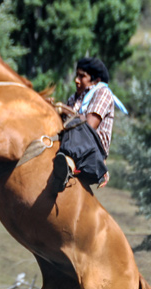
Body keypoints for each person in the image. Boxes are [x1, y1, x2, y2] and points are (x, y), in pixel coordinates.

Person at [54, 57, 128, 190]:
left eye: (82, 76)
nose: (76, 80)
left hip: (92, 148)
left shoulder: (103, 93)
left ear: (96, 81)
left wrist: (63, 110)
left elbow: (89, 125)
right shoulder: (75, 97)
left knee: (78, 123)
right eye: (77, 75)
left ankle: (68, 164)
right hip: (72, 140)